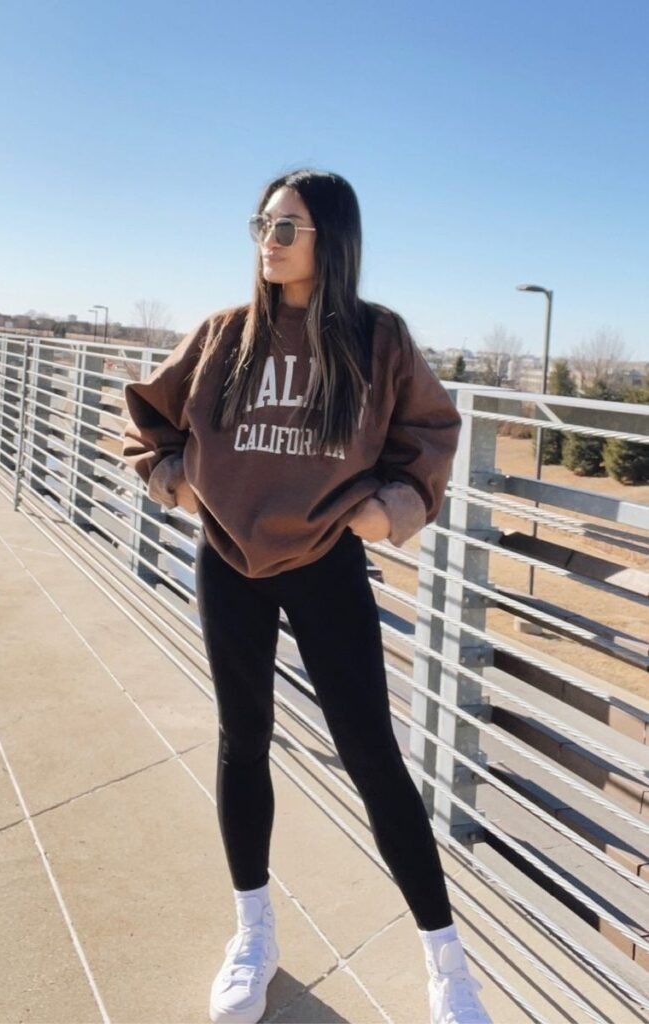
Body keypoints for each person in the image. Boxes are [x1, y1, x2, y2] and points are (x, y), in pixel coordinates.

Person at [121, 169, 492, 1024]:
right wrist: (173, 481)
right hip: (229, 557)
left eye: (286, 227)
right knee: (242, 740)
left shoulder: (377, 339)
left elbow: (430, 432)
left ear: (333, 240)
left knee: (371, 755)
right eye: (261, 223)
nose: (267, 239)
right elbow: (148, 416)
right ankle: (252, 933)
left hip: (326, 561)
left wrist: (390, 507)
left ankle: (447, 967)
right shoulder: (223, 334)